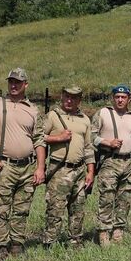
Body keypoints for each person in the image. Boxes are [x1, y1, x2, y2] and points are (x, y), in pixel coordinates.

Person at [0, 68, 45, 258]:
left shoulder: (33, 109)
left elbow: (39, 139)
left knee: (22, 208)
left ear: (26, 85)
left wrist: (40, 167)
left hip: (27, 167)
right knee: (1, 208)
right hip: (4, 166)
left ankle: (17, 245)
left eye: (18, 82)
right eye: (11, 82)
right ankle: (0, 247)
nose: (14, 85)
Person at [42, 85, 95, 247]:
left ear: (79, 100)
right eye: (67, 97)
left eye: (74, 98)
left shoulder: (85, 119)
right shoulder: (52, 116)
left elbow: (88, 147)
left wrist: (90, 171)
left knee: (78, 208)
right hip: (59, 169)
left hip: (79, 170)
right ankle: (49, 242)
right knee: (55, 209)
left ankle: (75, 240)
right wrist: (58, 138)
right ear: (62, 97)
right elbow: (37, 138)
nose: (69, 100)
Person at [91, 85, 131, 243]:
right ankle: (104, 232)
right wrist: (107, 142)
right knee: (107, 197)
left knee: (124, 198)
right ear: (112, 98)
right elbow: (90, 136)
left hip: (128, 162)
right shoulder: (103, 113)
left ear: (129, 99)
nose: (120, 100)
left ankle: (118, 231)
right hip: (109, 161)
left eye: (123, 97)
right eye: (117, 97)